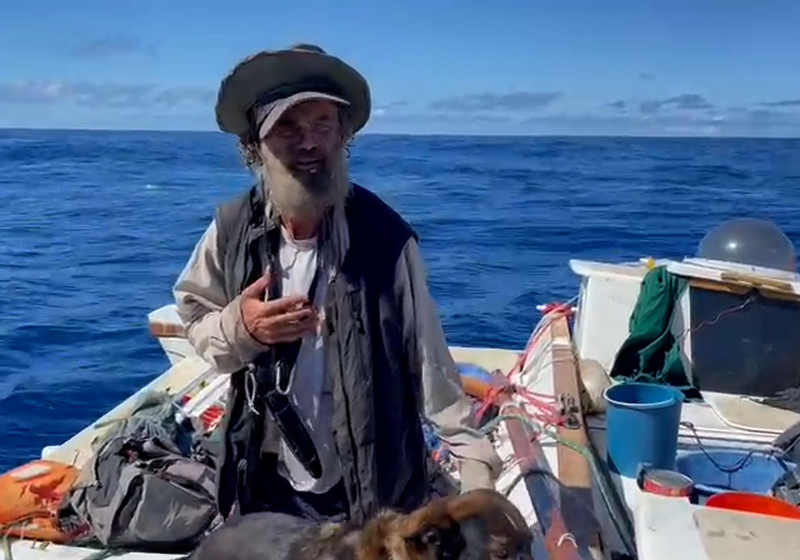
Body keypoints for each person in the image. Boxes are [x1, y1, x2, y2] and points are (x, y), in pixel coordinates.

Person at [173, 44, 501, 524]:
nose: (308, 143)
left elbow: (430, 363)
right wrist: (241, 327)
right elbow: (197, 322)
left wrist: (476, 474)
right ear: (254, 146)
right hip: (264, 480)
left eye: (322, 125)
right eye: (287, 127)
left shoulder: (386, 239)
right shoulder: (231, 229)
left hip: (369, 487)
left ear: (342, 136)